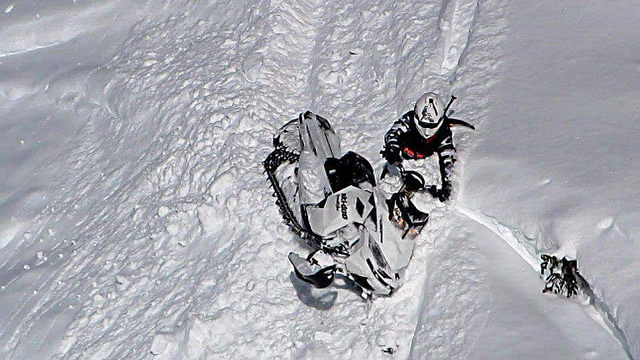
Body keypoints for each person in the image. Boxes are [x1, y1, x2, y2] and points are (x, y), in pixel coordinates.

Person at [381, 92, 474, 202]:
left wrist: (447, 185)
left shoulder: (443, 132)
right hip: (400, 166)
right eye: (423, 125)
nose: (426, 132)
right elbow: (392, 133)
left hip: (423, 170)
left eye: (431, 126)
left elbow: (447, 158)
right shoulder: (408, 119)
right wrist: (393, 149)